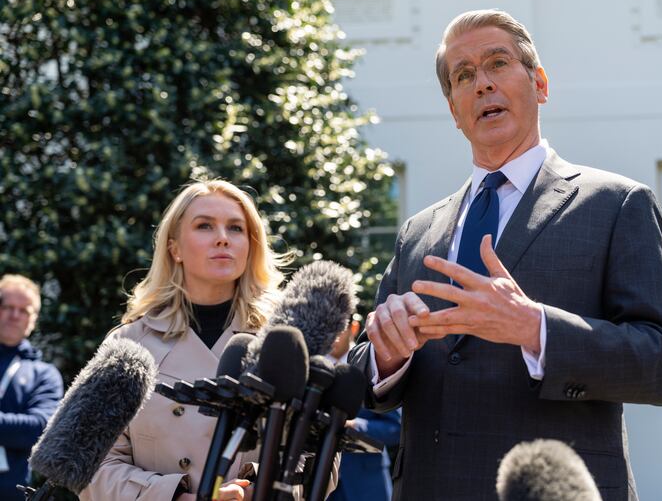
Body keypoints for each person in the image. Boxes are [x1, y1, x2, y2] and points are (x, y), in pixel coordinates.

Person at [348, 9, 662, 501]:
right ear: (453, 109)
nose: (482, 84)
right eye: (463, 76)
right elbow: (368, 376)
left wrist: (535, 328)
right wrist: (386, 355)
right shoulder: (417, 233)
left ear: (540, 84)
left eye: (498, 64)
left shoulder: (617, 205)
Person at [80, 179, 315, 501]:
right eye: (205, 226)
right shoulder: (127, 344)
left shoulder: (286, 340)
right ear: (174, 247)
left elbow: (320, 455)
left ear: (251, 244)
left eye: (235, 228)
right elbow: (91, 466)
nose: (222, 239)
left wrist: (256, 490)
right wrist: (177, 497)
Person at [0, 274, 64, 500]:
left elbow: (40, 428)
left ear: (33, 319)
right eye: (8, 307)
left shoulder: (43, 375)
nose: (14, 315)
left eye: (24, 310)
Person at [327, 322, 400, 501]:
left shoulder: (372, 364)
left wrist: (354, 426)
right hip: (322, 483)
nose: (333, 336)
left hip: (366, 485)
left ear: (353, 327)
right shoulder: (314, 368)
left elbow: (396, 429)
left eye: (338, 328)